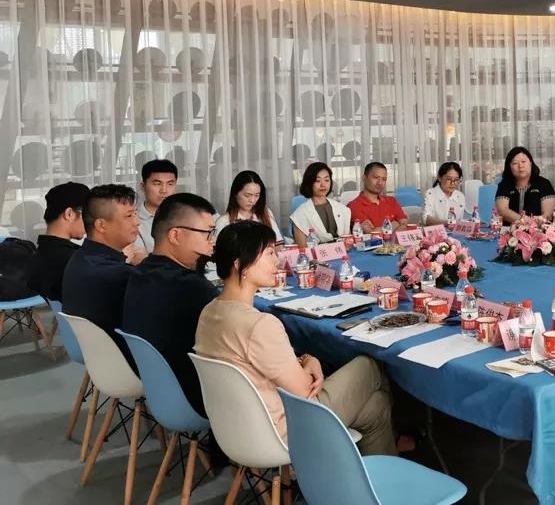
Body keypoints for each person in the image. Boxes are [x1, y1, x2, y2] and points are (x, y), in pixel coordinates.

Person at [194, 220, 396, 454]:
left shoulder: (209, 312)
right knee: (371, 364)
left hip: (236, 426)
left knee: (376, 408)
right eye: (269, 254)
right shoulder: (259, 324)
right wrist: (311, 362)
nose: (277, 261)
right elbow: (304, 389)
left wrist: (307, 359)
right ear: (242, 266)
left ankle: (369, 474)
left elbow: (261, 362)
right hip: (285, 429)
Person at [122, 193, 219, 416]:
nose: (212, 241)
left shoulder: (139, 273)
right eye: (207, 233)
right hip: (198, 397)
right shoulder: (192, 287)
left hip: (157, 390)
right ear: (175, 235)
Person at [61, 184, 142, 365]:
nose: (137, 222)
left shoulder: (80, 258)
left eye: (136, 214)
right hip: (128, 364)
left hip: (97, 360)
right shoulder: (117, 274)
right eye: (129, 216)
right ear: (101, 225)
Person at [29, 182, 90, 303]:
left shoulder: (42, 252)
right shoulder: (71, 260)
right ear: (69, 214)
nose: (90, 222)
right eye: (88, 215)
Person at [290, 162, 351, 245]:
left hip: (344, 252)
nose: (323, 184)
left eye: (326, 180)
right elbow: (302, 248)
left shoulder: (342, 208)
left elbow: (349, 241)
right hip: (316, 253)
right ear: (309, 183)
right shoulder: (300, 214)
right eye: (317, 181)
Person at [216, 170, 284, 241]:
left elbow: (278, 244)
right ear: (235, 193)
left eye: (257, 195)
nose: (252, 200)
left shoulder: (266, 214)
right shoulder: (224, 222)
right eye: (247, 195)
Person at [494, 146, 555, 223]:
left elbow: (547, 215)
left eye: (523, 161)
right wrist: (525, 222)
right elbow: (502, 211)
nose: (520, 166)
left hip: (539, 228)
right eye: (515, 163)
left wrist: (532, 225)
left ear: (530, 163)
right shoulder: (504, 185)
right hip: (509, 228)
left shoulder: (544, 183)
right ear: (509, 167)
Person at [133, 159, 178, 257]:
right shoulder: (133, 221)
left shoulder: (188, 215)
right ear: (142, 186)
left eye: (170, 184)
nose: (164, 190)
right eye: (157, 183)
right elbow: (139, 259)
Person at [347, 162, 409, 232]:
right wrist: (395, 223)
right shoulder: (354, 206)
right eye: (376, 178)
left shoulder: (392, 201)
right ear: (364, 178)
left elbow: (404, 223)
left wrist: (381, 229)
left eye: (384, 179)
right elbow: (372, 233)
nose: (380, 183)